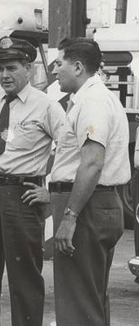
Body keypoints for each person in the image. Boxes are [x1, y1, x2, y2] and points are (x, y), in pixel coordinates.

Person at [0, 37, 65, 326]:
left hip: (23, 196)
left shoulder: (45, 106)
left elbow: (69, 147)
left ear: (29, 69)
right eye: (0, 69)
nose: (4, 76)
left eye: (11, 68)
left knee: (25, 279)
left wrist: (50, 190)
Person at [50, 37, 129, 325]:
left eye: (60, 63)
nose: (54, 70)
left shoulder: (92, 100)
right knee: (89, 299)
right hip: (97, 202)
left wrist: (70, 217)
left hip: (86, 205)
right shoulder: (97, 97)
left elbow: (93, 161)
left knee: (77, 306)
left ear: (78, 67)